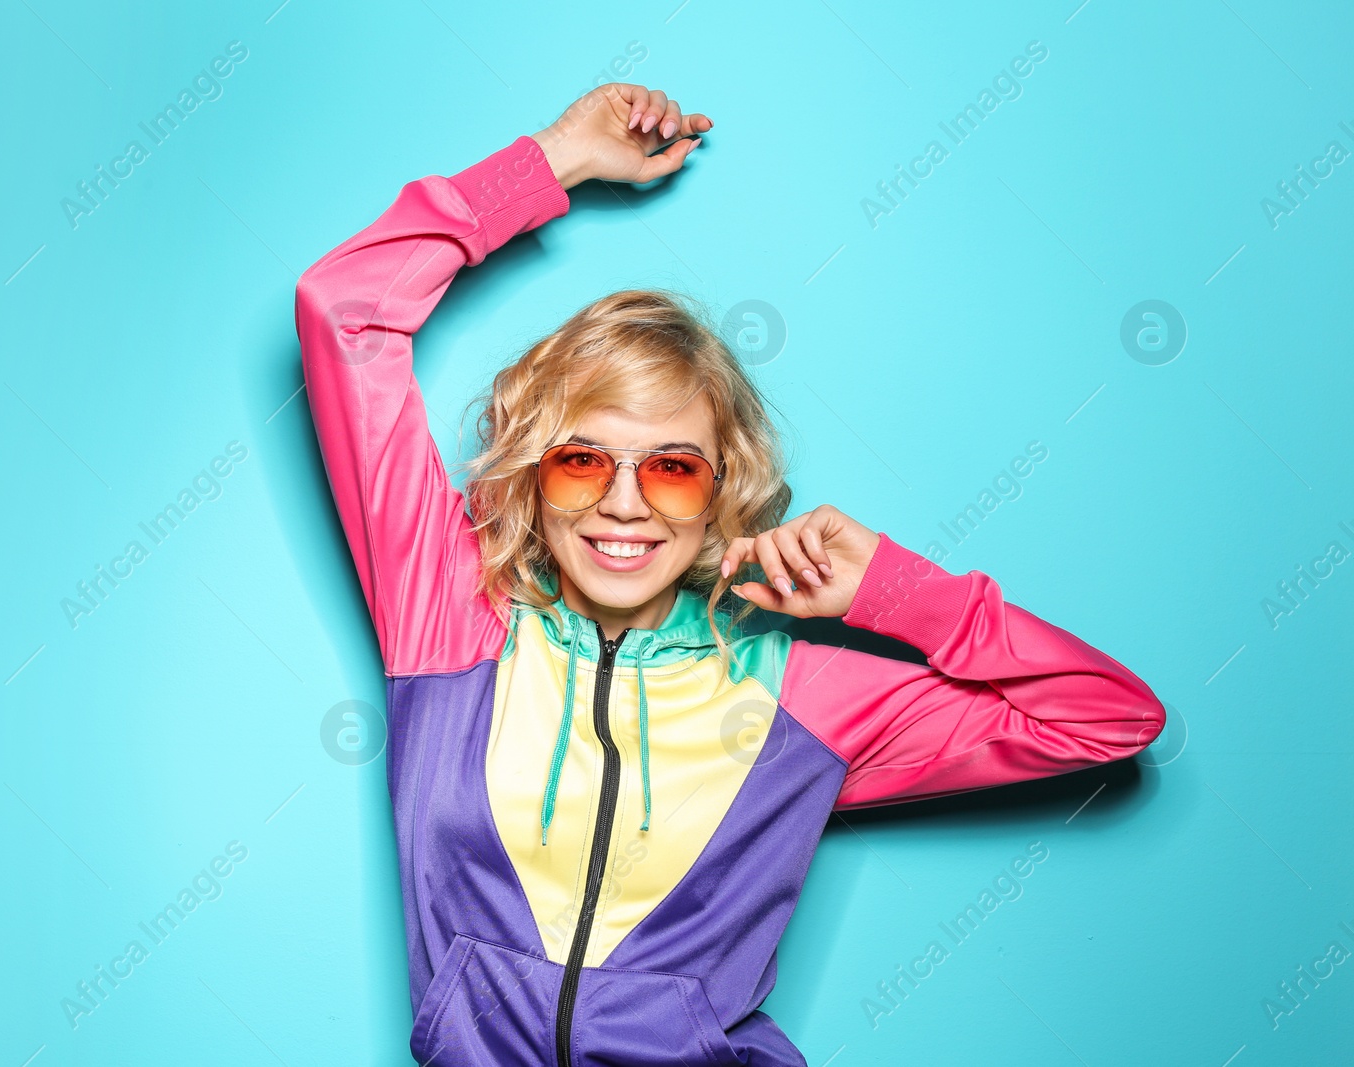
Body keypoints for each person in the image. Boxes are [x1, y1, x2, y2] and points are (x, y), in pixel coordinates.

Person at [296, 82, 1165, 1067]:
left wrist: (895, 591)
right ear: (532, 481)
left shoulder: (798, 693)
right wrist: (551, 160)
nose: (624, 503)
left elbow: (1107, 719)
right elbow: (346, 311)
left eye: (671, 468)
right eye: (582, 460)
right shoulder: (450, 620)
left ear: (719, 494)